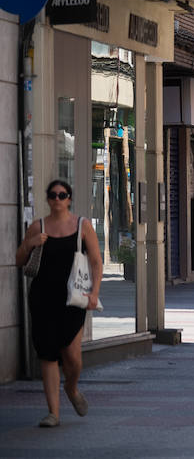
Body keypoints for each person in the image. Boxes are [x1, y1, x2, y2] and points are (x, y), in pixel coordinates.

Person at [15, 179, 101, 427]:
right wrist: (30, 244)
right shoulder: (37, 226)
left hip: (73, 299)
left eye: (62, 195)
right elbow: (19, 259)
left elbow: (95, 261)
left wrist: (94, 293)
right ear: (47, 199)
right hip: (42, 299)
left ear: (69, 199)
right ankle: (53, 413)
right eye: (52, 195)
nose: (57, 199)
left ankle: (71, 389)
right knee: (48, 355)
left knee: (73, 357)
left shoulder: (82, 226)